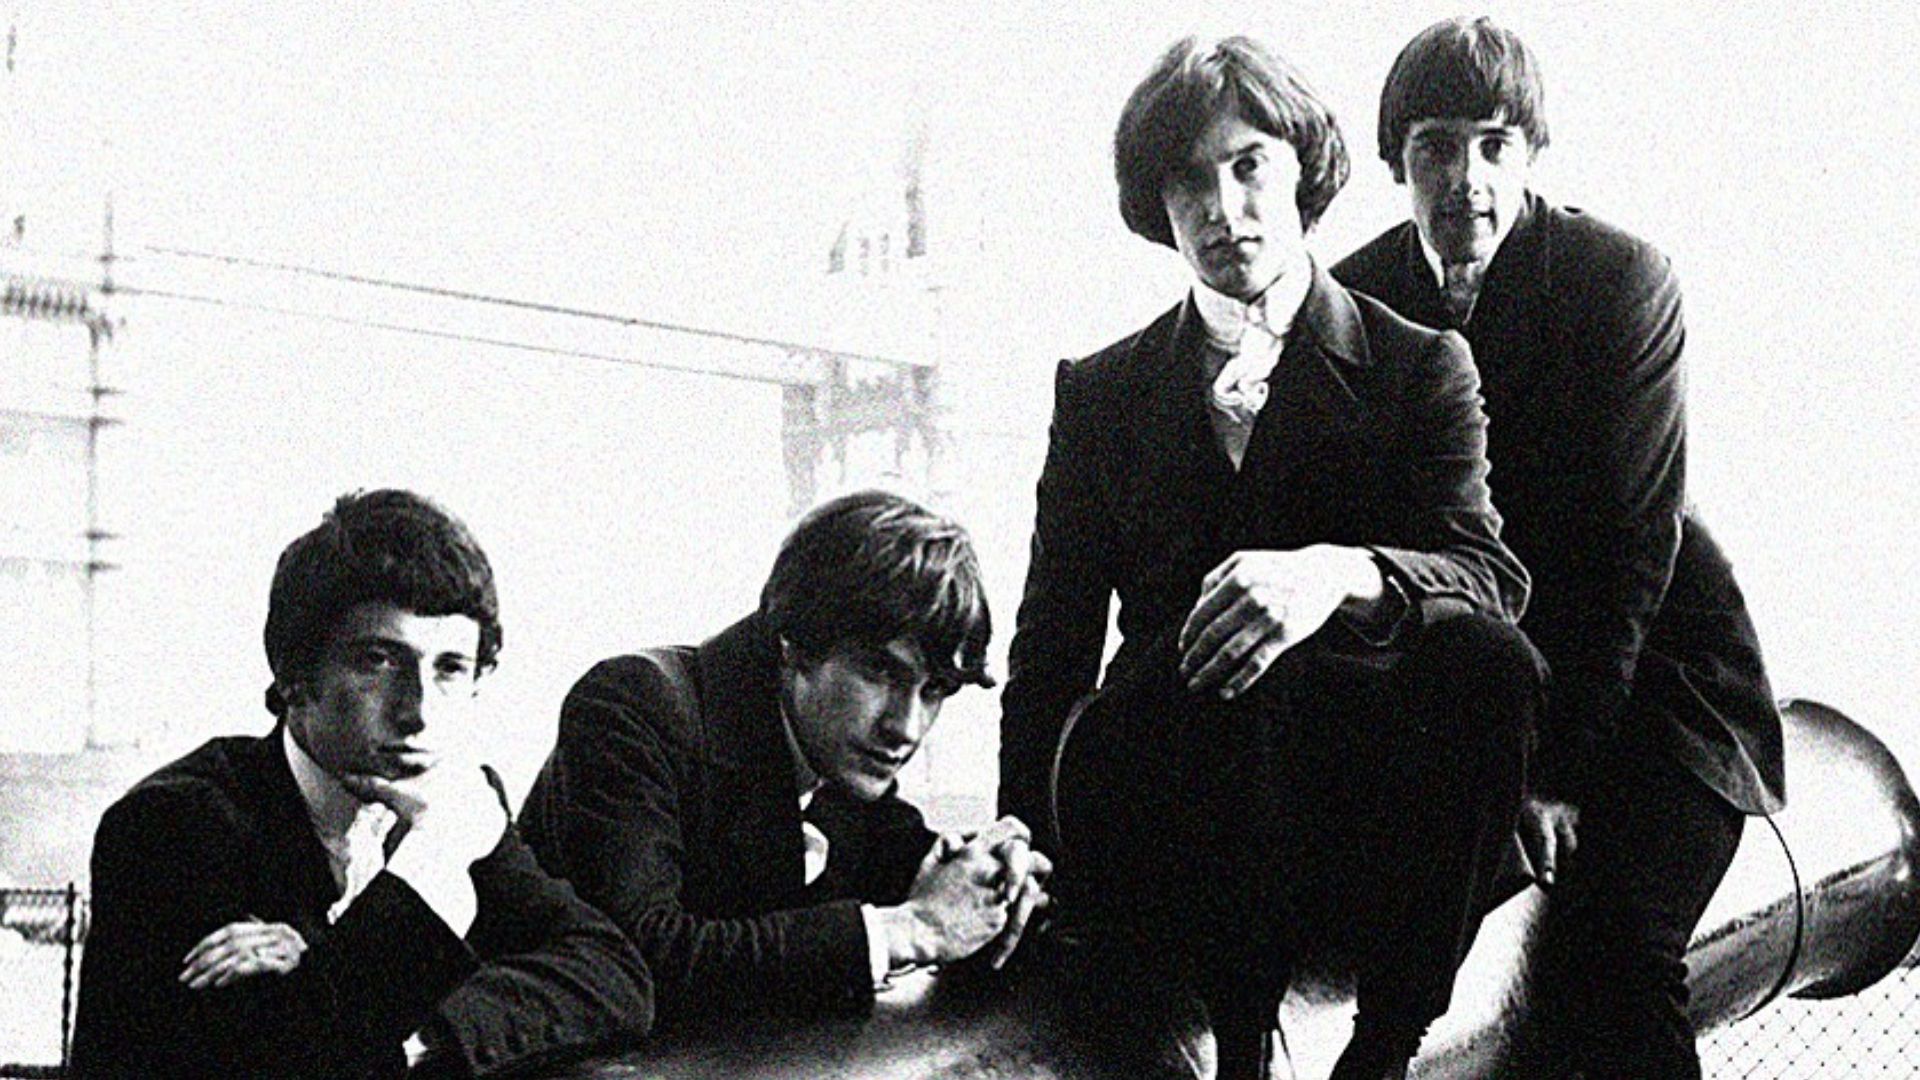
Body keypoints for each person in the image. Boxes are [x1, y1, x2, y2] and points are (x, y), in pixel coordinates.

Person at [999, 35, 1541, 1080]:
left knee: (1491, 664)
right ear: (1157, 206)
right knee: (1212, 671)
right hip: (1180, 808)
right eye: (1188, 180)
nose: (1221, 206)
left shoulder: (1419, 364)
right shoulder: (1101, 393)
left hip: (1361, 815)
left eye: (1248, 165)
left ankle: (1384, 1049)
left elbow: (1488, 578)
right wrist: (1022, 840)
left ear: (1304, 171)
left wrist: (1341, 572)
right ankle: (1238, 1047)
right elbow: (1052, 643)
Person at [1332, 17, 1786, 1078]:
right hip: (1472, 692)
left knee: (1617, 947)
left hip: (1653, 689)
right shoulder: (1354, 304)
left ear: (1531, 153)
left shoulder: (1618, 282)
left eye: (1494, 145)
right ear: (1400, 158)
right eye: (1436, 146)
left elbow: (1626, 554)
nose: (1465, 179)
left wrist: (1554, 779)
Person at [71, 489, 654, 1079]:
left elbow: (612, 975)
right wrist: (430, 872)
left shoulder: (455, 805)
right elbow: (297, 1066)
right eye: (379, 661)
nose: (419, 711)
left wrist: (420, 1035)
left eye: (450, 668)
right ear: (294, 672)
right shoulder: (172, 825)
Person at [521, 489, 1051, 1031]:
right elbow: (632, 960)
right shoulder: (634, 707)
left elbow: (910, 863)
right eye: (879, 673)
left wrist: (997, 884)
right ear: (792, 643)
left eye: (934, 689)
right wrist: (905, 930)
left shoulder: (835, 756)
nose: (906, 726)